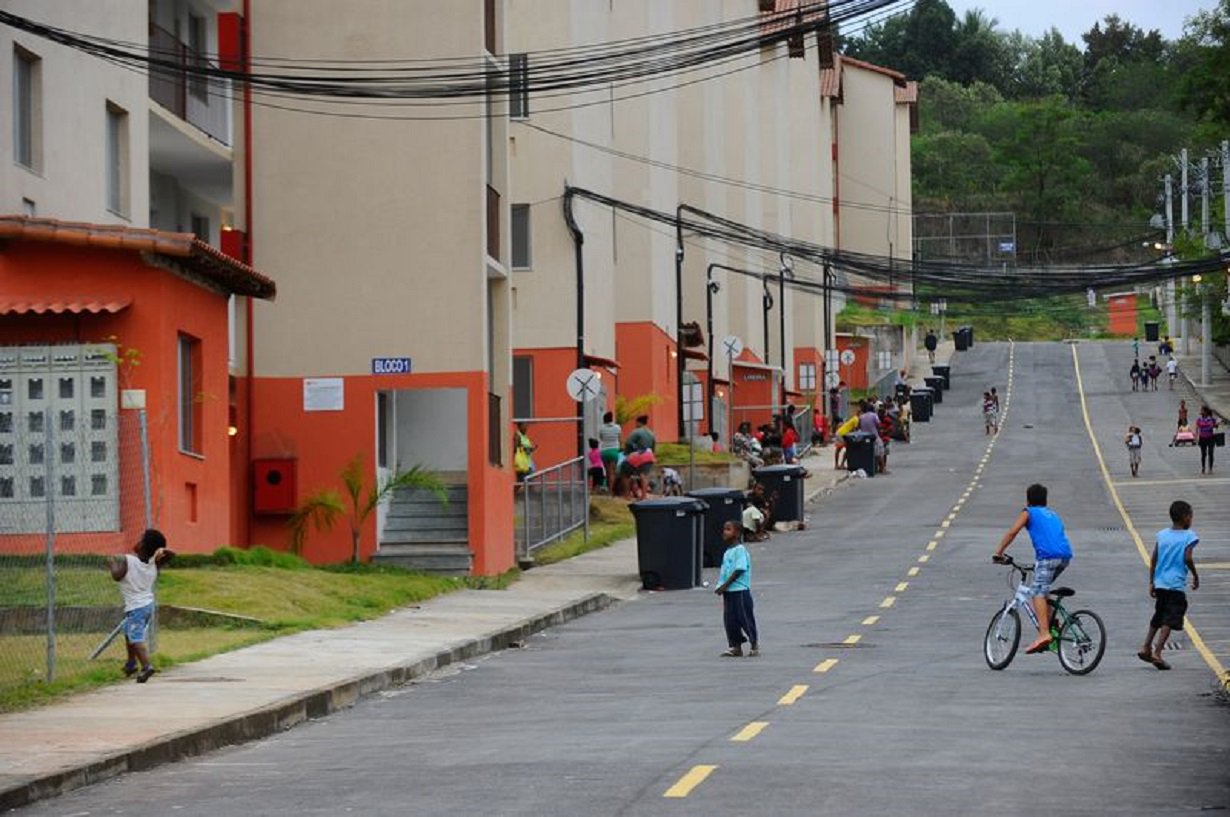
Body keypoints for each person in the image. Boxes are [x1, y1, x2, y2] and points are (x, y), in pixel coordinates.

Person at [993, 483, 1074, 655]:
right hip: (1065, 557)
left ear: (1028, 499)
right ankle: (1053, 627)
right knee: (1043, 591)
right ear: (1045, 500)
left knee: (1037, 592)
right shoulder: (1053, 514)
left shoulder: (1028, 512)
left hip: (1048, 557)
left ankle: (1044, 634)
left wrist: (999, 552)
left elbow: (1012, 532)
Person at [1138, 500, 1199, 671]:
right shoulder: (1189, 536)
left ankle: (1146, 646)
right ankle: (1157, 653)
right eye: (1191, 516)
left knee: (1158, 615)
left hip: (1160, 583)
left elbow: (1154, 559)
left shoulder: (1162, 534)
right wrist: (1195, 574)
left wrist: (1151, 581)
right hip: (1175, 585)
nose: (1192, 520)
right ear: (1186, 518)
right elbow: (1187, 558)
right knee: (1170, 619)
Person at [108, 529, 174, 683]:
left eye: (140, 539)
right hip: (147, 606)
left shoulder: (128, 560)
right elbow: (173, 554)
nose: (137, 541)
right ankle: (131, 664)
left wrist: (111, 564)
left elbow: (117, 576)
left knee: (136, 638)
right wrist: (159, 551)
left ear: (142, 545)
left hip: (136, 608)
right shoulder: (153, 564)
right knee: (128, 631)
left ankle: (146, 666)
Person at [715, 520, 758, 658]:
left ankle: (754, 644)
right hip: (729, 592)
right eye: (724, 529)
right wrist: (720, 586)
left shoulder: (740, 550)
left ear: (737, 533)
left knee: (744, 618)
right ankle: (735, 646)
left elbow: (739, 569)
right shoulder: (728, 552)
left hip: (740, 590)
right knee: (730, 620)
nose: (724, 532)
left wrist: (725, 585)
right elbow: (724, 571)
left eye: (728, 529)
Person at [598, 411, 622, 487]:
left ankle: (608, 487)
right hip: (614, 451)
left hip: (604, 451)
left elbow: (601, 438)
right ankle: (611, 490)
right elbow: (619, 438)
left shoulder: (601, 428)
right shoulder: (617, 427)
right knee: (612, 472)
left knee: (607, 471)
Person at [1196, 405, 1218, 474]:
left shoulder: (1212, 419)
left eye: (1202, 410)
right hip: (1202, 438)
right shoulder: (1199, 419)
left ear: (1205, 412)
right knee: (1203, 454)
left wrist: (1215, 425)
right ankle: (1203, 467)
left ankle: (1210, 468)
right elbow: (1197, 428)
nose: (1201, 412)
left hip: (1211, 438)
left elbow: (1216, 426)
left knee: (1211, 452)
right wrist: (1196, 437)